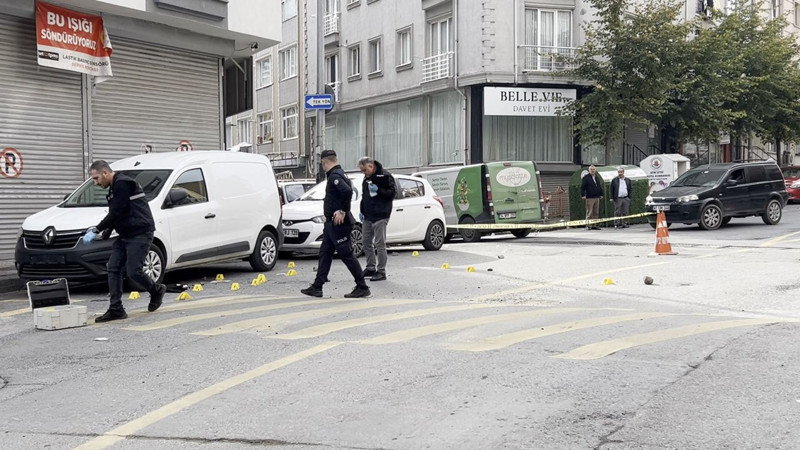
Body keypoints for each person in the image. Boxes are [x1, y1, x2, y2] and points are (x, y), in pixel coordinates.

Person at [84, 160, 167, 322]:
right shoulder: (114, 187)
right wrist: (106, 233)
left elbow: (116, 211)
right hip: (125, 234)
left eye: (96, 178)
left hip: (140, 233)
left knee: (133, 271)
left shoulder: (123, 184)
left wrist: (97, 229)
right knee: (113, 268)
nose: (95, 183)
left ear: (105, 173)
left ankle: (156, 290)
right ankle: (116, 309)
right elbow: (118, 214)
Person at [301, 150, 371, 298]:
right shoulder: (340, 173)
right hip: (331, 224)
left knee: (347, 255)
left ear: (324, 163)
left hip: (338, 224)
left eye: (322, 164)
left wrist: (342, 210)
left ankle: (362, 286)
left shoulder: (335, 176)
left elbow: (348, 192)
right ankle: (317, 286)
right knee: (325, 253)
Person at [358, 156, 396, 282]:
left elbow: (392, 194)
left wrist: (378, 190)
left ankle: (381, 271)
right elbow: (365, 196)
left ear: (371, 166)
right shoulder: (366, 178)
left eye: (364, 170)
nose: (364, 173)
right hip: (368, 215)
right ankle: (370, 267)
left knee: (379, 244)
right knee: (366, 242)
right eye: (362, 171)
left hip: (381, 214)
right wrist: (362, 211)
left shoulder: (385, 176)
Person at [581, 165, 604, 230]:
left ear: (595, 170)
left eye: (593, 169)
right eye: (591, 169)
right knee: (589, 212)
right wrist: (583, 195)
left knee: (596, 212)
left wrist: (601, 194)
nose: (592, 171)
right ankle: (588, 225)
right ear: (589, 170)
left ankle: (594, 225)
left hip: (597, 197)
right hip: (590, 197)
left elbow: (599, 186)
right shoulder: (586, 178)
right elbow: (582, 187)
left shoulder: (597, 177)